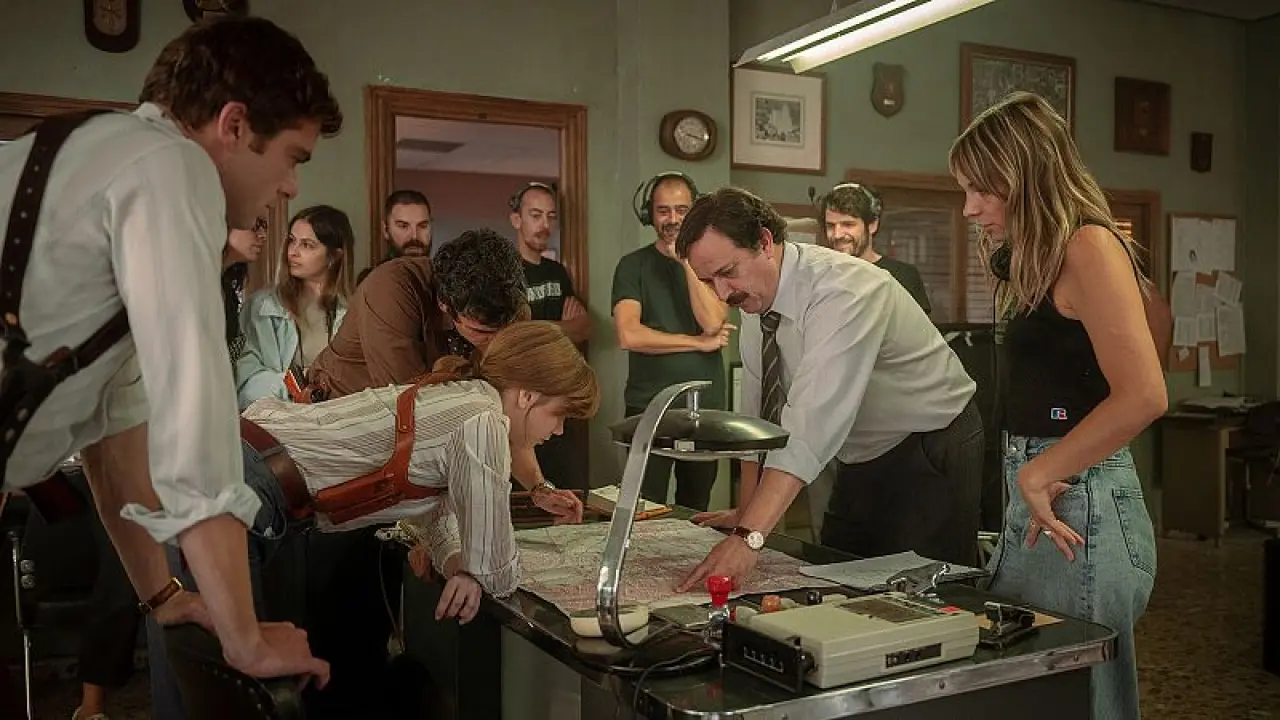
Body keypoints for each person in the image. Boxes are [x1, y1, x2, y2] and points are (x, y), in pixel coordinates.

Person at [0, 15, 340, 687]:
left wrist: (164, 595)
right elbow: (197, 421)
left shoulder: (105, 158)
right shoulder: (174, 168)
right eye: (294, 157)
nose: (292, 187)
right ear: (234, 125)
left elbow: (117, 443)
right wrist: (246, 639)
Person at [948, 91, 1164, 720]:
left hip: (1077, 498)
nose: (970, 208)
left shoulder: (1089, 246)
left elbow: (1145, 395)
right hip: (1046, 493)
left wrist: (1037, 472)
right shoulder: (1039, 260)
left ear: (1026, 175)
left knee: (1082, 701)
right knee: (1036, 696)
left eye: (982, 189)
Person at [672, 187, 983, 592]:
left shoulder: (844, 290)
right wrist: (746, 514)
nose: (722, 293)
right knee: (839, 578)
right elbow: (757, 413)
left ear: (764, 241)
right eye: (707, 281)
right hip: (860, 451)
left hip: (930, 440)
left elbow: (809, 423)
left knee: (927, 595)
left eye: (727, 271)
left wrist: (749, 538)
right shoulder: (753, 295)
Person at [238, 321, 598, 609]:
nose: (558, 430)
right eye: (560, 414)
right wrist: (476, 570)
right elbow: (496, 573)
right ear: (528, 396)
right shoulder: (483, 421)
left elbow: (432, 513)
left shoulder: (465, 398)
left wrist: (459, 564)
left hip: (254, 464)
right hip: (255, 481)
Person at [611, 172, 732, 512]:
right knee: (644, 506)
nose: (673, 219)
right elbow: (629, 335)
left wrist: (686, 262)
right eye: (663, 210)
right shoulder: (632, 266)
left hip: (704, 410)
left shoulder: (710, 265)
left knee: (696, 506)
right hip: (649, 407)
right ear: (649, 214)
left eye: (682, 210)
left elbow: (713, 321)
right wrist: (697, 344)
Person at [509, 182, 590, 490]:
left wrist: (536, 330)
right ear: (516, 219)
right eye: (535, 215)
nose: (544, 224)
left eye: (550, 216)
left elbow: (583, 328)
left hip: (560, 395)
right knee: (524, 487)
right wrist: (559, 329)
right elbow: (512, 337)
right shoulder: (507, 272)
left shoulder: (557, 272)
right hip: (521, 402)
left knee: (568, 485)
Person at [236, 205, 353, 408]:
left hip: (335, 419)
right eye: (292, 240)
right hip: (276, 419)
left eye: (307, 245)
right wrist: (296, 388)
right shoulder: (263, 307)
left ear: (335, 256)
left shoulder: (352, 314)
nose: (293, 252)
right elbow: (245, 382)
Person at [819, 183, 931, 314]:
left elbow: (917, 326)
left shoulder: (904, 276)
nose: (837, 235)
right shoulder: (820, 277)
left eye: (848, 225)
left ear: (872, 225)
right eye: (831, 226)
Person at [356, 189, 432, 284]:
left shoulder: (442, 281)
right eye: (403, 226)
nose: (414, 236)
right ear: (385, 230)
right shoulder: (372, 281)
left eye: (423, 226)